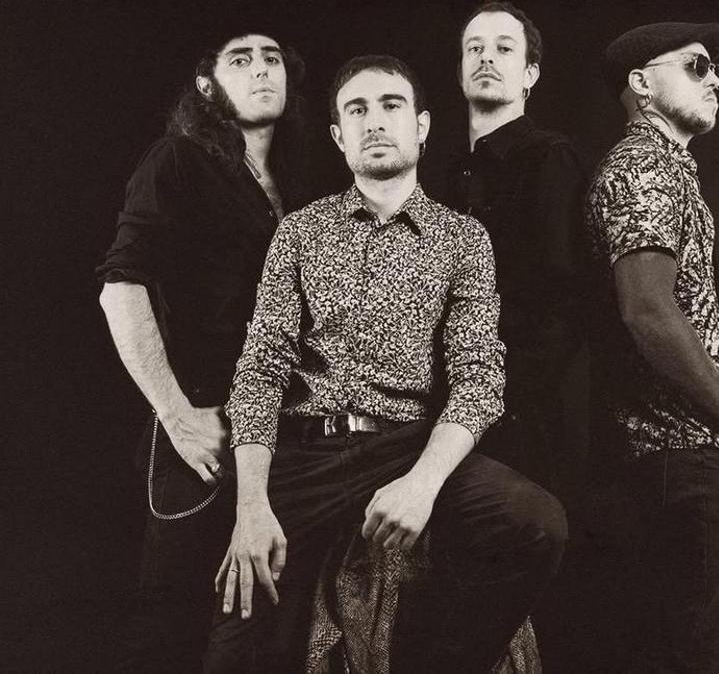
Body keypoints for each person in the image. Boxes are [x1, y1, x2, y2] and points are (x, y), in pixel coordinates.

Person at [203, 55, 567, 673]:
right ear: (339, 137)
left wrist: (423, 484)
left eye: (391, 106)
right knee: (236, 650)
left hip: (407, 447)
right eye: (357, 110)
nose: (374, 121)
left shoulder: (462, 239)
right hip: (306, 456)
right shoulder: (299, 232)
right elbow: (261, 369)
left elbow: (479, 378)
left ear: (421, 127)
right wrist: (252, 506)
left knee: (536, 523)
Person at [96, 31, 307, 671]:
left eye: (272, 59)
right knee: (173, 624)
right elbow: (120, 288)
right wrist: (177, 414)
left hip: (283, 430)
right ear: (206, 84)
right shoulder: (180, 159)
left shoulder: (300, 179)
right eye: (240, 60)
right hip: (204, 430)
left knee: (257, 627)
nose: (261, 70)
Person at [584, 22, 719, 672]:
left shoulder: (668, 168)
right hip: (678, 455)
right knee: (697, 654)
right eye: (696, 66)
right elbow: (647, 310)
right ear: (642, 84)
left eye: (717, 70)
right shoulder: (644, 165)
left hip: (680, 457)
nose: (715, 79)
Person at [445, 1, 587, 488]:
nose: (486, 57)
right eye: (475, 48)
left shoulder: (549, 159)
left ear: (530, 75)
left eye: (504, 49)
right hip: (448, 410)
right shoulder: (450, 174)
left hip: (522, 414)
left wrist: (509, 391)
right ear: (460, 72)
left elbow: (567, 300)